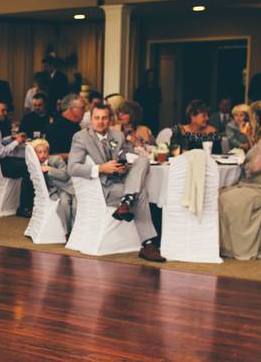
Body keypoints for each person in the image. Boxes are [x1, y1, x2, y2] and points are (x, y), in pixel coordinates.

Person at [68, 103, 165, 262]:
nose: (100, 122)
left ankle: (126, 202)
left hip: (121, 180)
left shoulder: (117, 136)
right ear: (91, 119)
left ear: (110, 119)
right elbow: (72, 168)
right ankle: (147, 243)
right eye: (96, 118)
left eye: (104, 118)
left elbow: (128, 155)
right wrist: (101, 168)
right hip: (103, 186)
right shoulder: (81, 137)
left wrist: (124, 166)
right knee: (141, 193)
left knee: (142, 161)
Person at [218, 101, 261, 260]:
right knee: (220, 192)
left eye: (250, 116)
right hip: (254, 184)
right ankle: (221, 243)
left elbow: (257, 167)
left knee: (226, 199)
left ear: (257, 116)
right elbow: (256, 152)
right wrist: (250, 136)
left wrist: (243, 165)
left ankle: (235, 247)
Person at [30, 138, 75, 234]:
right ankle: (66, 230)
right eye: (39, 152)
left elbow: (65, 176)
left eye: (45, 152)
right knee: (62, 204)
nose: (43, 155)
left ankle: (70, 230)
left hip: (64, 188)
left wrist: (50, 169)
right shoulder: (33, 165)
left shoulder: (56, 159)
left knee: (65, 203)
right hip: (51, 191)